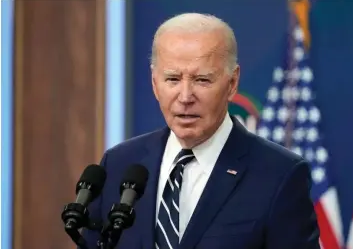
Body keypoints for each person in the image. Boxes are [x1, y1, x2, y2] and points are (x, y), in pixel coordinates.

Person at [82, 13, 320, 249]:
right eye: (173, 79)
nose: (185, 97)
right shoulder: (118, 164)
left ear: (232, 82)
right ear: (155, 83)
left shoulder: (279, 175)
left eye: (202, 80)